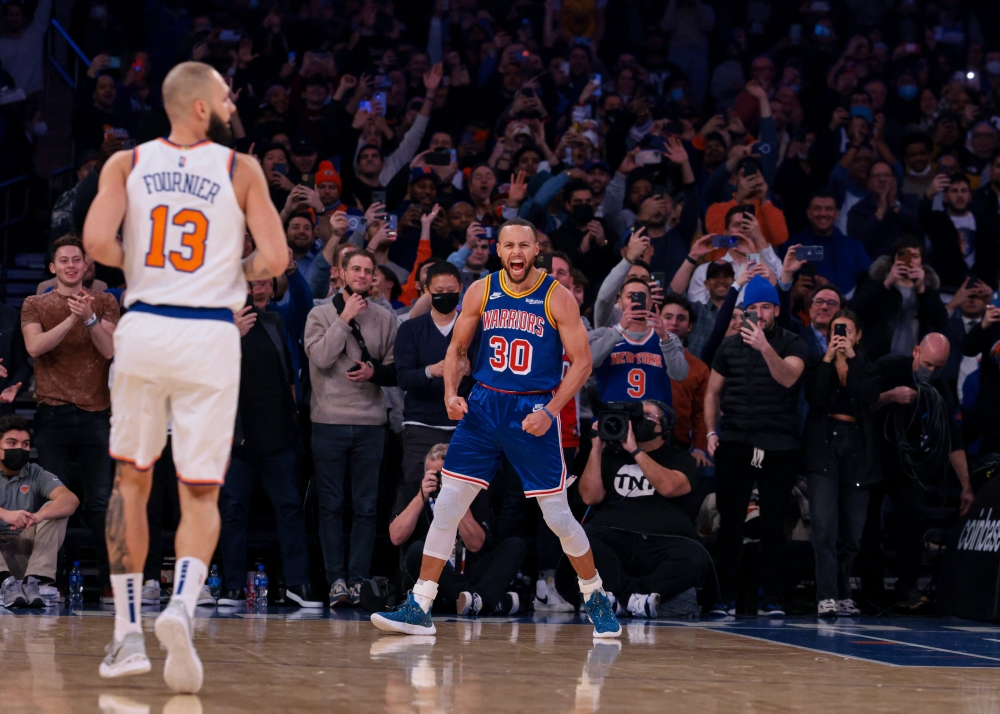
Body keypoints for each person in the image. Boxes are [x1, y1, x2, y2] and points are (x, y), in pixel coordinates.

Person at [82, 61, 289, 692]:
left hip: (144, 326)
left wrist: (148, 268)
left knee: (131, 480)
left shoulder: (128, 162)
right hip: (210, 334)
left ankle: (125, 635)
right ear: (200, 106)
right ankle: (180, 606)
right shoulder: (240, 168)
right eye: (224, 95)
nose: (231, 102)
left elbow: (95, 242)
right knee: (201, 490)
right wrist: (224, 272)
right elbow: (276, 258)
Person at [372, 218, 622, 638]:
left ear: (535, 249)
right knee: (448, 504)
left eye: (525, 245)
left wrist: (552, 410)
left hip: (533, 409)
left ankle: (595, 595)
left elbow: (582, 363)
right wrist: (452, 391)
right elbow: (457, 348)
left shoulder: (557, 296)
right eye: (509, 246)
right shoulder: (481, 289)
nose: (517, 253)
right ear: (500, 251)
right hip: (485, 404)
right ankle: (419, 604)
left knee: (558, 515)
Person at [21, 235, 120, 602]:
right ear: (53, 267)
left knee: (100, 502)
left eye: (77, 260)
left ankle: (111, 583)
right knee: (54, 502)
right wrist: (71, 319)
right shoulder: (35, 304)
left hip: (97, 415)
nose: (71, 266)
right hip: (52, 414)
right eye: (64, 260)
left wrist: (90, 317)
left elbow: (110, 350)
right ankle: (50, 581)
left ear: (86, 266)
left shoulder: (107, 302)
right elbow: (34, 347)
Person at [704, 277, 806, 616]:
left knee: (775, 524)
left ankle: (771, 597)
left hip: (778, 443)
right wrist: (709, 431)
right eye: (752, 309)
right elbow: (711, 392)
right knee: (730, 522)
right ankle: (726, 596)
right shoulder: (729, 346)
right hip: (735, 439)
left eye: (765, 307)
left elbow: (789, 378)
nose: (758, 314)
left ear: (777, 309)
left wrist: (765, 347)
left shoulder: (792, 342)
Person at [216, 286, 322, 610]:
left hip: (277, 434)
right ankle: (232, 586)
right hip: (236, 436)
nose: (250, 290)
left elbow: (288, 374)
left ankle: (297, 584)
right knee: (233, 512)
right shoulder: (214, 327)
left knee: (290, 509)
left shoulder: (273, 321)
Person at [304, 250, 397, 608]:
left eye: (368, 270)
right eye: (355, 269)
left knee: (366, 507)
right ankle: (335, 581)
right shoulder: (319, 314)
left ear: (374, 277)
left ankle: (357, 579)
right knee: (330, 505)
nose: (361, 275)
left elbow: (393, 368)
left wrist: (375, 372)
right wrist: (344, 318)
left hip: (371, 423)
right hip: (328, 421)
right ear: (342, 273)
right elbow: (323, 358)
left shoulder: (387, 319)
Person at [864, 334, 974, 608]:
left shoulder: (940, 391)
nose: (932, 371)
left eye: (939, 366)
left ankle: (907, 589)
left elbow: (953, 439)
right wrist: (891, 396)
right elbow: (861, 404)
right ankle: (871, 593)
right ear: (915, 352)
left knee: (914, 520)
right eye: (928, 364)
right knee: (869, 529)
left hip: (907, 466)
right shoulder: (889, 367)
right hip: (873, 459)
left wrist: (966, 486)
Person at [578, 400, 709, 617]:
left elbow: (668, 487)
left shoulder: (679, 458)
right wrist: (597, 449)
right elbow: (590, 497)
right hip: (616, 537)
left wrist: (635, 450)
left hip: (663, 542)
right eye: (637, 416)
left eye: (649, 416)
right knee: (583, 536)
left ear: (664, 426)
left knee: (696, 556)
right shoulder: (612, 455)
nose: (640, 421)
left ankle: (623, 598)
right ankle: (635, 600)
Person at [803, 311, 880, 617]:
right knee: (824, 527)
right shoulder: (816, 362)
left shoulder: (868, 365)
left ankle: (843, 591)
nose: (841, 336)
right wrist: (828, 360)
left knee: (853, 532)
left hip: (857, 451)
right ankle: (826, 595)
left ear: (858, 335)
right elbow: (815, 397)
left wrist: (851, 361)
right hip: (824, 447)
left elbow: (868, 395)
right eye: (837, 330)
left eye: (847, 331)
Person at [389, 444, 526, 616]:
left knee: (515, 545)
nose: (441, 482)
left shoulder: (473, 491)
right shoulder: (412, 490)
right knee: (416, 551)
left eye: (446, 476)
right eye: (436, 476)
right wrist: (420, 498)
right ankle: (484, 602)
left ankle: (475, 600)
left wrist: (458, 501)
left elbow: (476, 544)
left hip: (467, 569)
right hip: (432, 576)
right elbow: (396, 537)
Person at [394, 262, 478, 490]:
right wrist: (433, 370)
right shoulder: (410, 329)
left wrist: (469, 371)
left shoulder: (475, 328)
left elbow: (486, 377)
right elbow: (403, 378)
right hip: (420, 425)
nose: (445, 296)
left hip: (463, 427)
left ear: (461, 288)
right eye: (438, 292)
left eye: (450, 290)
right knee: (416, 490)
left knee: (467, 493)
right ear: (426, 291)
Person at [0, 415, 80, 609]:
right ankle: (4, 582)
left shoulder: (35, 472)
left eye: (25, 444)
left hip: (24, 554)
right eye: (12, 442)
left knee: (54, 510)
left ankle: (32, 581)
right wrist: (4, 513)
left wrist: (39, 516)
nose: (20, 448)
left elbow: (71, 500)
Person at [591, 277, 688, 405]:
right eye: (630, 296)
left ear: (650, 303)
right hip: (613, 418)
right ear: (620, 304)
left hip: (653, 420)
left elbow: (680, 375)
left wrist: (664, 338)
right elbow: (589, 362)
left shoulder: (669, 338)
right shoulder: (603, 334)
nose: (635, 302)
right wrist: (619, 329)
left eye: (640, 297)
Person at [851, 236, 947, 361]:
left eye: (915, 256)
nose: (910, 260)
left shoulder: (928, 289)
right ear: (894, 258)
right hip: (879, 359)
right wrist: (887, 283)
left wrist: (922, 290)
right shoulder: (876, 282)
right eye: (903, 254)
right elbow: (857, 311)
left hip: (914, 360)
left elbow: (940, 320)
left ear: (922, 262)